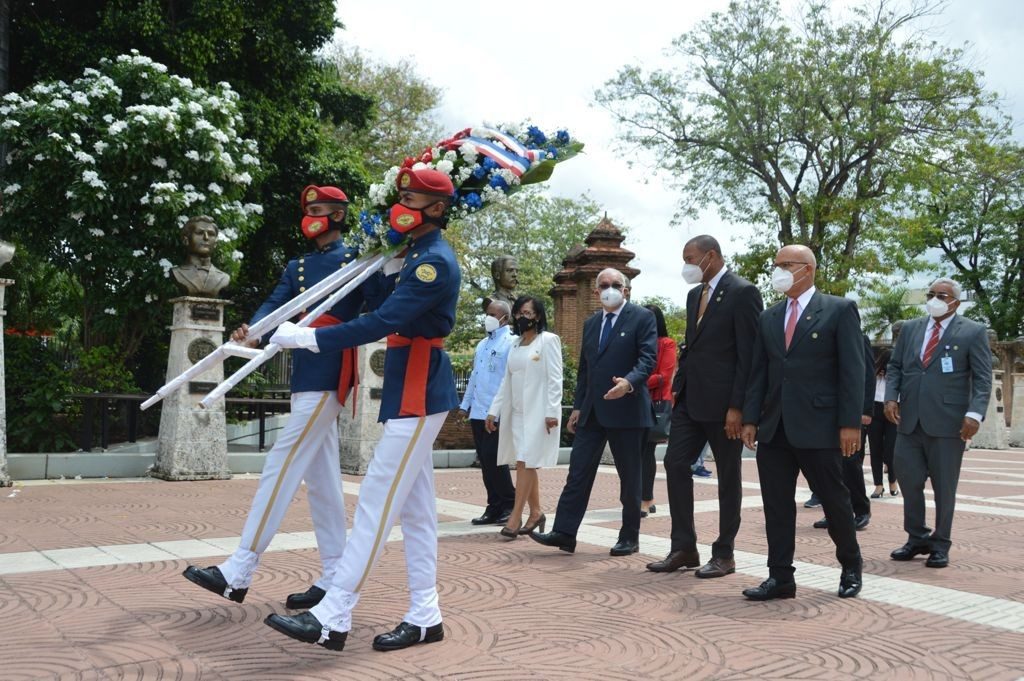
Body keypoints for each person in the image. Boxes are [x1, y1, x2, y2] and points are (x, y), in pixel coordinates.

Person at [263, 166, 461, 652]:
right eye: (402, 197)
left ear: (437, 208)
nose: (401, 207)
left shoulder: (434, 261)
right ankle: (425, 615)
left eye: (410, 200)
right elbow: (385, 307)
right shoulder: (416, 255)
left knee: (377, 497)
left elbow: (382, 321)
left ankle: (334, 613)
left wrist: (308, 338)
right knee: (416, 511)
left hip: (419, 386)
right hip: (408, 383)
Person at [183, 185, 385, 609]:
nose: (311, 216)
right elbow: (277, 304)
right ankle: (334, 573)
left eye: (319, 209)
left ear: (338, 215)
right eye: (308, 209)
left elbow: (380, 307)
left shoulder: (357, 260)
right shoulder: (298, 265)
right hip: (304, 370)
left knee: (283, 461)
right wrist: (252, 331)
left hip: (329, 365)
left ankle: (240, 568)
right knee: (322, 483)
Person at [740, 244, 864, 600]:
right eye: (776, 264)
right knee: (777, 506)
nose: (777, 270)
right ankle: (780, 577)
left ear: (807, 269)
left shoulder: (839, 310)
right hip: (775, 426)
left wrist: (850, 423)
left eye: (785, 264)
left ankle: (850, 566)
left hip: (820, 425)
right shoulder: (769, 316)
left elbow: (853, 370)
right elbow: (759, 371)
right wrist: (751, 417)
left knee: (834, 500)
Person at [647, 235, 762, 578]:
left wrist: (738, 407)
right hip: (689, 399)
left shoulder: (743, 292)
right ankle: (684, 547)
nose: (686, 265)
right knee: (674, 463)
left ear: (711, 256)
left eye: (690, 258)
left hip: (725, 405)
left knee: (728, 476)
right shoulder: (694, 294)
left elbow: (749, 355)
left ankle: (724, 553)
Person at [530, 268, 656, 556]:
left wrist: (628, 383)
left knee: (630, 477)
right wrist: (577, 406)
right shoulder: (591, 323)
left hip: (627, 410)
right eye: (604, 285)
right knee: (578, 472)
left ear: (625, 290)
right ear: (596, 291)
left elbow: (648, 359)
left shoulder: (641, 317)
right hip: (592, 412)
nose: (610, 289)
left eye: (616, 284)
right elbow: (586, 369)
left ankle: (629, 536)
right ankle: (564, 532)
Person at [885, 277, 992, 569]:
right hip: (909, 421)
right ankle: (917, 537)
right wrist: (891, 397)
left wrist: (975, 414)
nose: (934, 299)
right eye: (931, 294)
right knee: (908, 481)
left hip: (949, 423)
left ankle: (941, 543)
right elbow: (895, 366)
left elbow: (983, 378)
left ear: (955, 301)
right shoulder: (911, 328)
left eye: (942, 296)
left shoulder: (973, 331)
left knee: (944, 487)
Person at [485, 295, 563, 538]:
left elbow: (555, 379)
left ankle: (515, 516)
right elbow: (506, 380)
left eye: (527, 313)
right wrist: (493, 410)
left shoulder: (548, 340)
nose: (522, 317)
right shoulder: (516, 344)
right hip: (517, 413)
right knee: (524, 462)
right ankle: (536, 512)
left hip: (539, 414)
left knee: (525, 463)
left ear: (537, 316)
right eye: (519, 313)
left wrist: (552, 412)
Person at [458, 299, 516, 526]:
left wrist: (499, 410)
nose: (488, 317)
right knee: (485, 460)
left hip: (496, 412)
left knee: (495, 459)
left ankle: (510, 504)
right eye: (487, 313)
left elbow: (508, 380)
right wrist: (464, 406)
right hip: (478, 411)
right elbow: (474, 377)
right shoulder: (482, 344)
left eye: (493, 314)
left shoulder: (511, 343)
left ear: (504, 318)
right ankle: (493, 506)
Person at [811, 333, 875, 531]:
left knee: (850, 463)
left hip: (851, 413)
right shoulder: (820, 336)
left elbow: (867, 375)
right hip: (824, 411)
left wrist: (866, 410)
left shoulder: (858, 338)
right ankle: (834, 512)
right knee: (827, 466)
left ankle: (861, 510)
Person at [640, 304, 676, 518]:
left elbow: (665, 375)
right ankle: (641, 497)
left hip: (655, 402)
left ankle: (646, 499)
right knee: (634, 453)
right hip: (634, 400)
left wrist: (635, 381)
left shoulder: (666, 343)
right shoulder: (637, 341)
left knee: (646, 451)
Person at [170, 215, 231, 297]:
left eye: (211, 234)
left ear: (216, 243)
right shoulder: (178, 272)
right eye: (199, 233)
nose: (206, 237)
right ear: (186, 240)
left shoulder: (223, 277)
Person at [867, 347, 899, 498]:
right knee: (875, 449)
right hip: (875, 410)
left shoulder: (898, 376)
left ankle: (893, 481)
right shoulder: (874, 376)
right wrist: (876, 373)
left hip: (893, 411)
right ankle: (878, 485)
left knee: (890, 450)